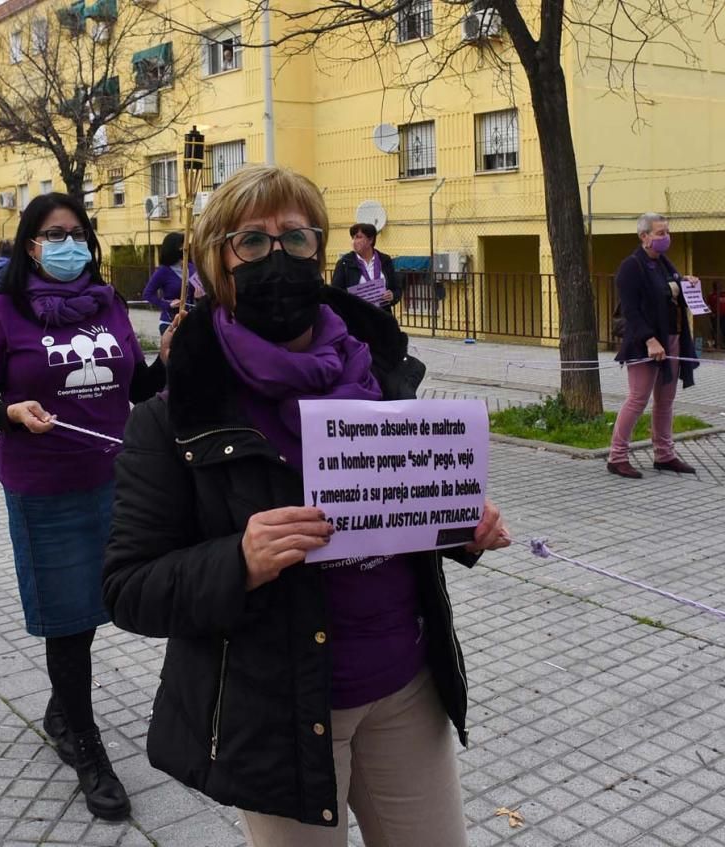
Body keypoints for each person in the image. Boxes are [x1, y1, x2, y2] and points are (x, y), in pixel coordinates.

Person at [101, 165, 510, 847]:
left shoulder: (378, 374)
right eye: (251, 241)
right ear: (216, 261)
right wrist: (238, 559)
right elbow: (126, 587)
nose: (278, 255)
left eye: (295, 237)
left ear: (320, 250)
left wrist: (457, 522)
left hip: (406, 688)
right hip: (279, 712)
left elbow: (389, 510)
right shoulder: (174, 417)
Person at [0, 192, 167, 822]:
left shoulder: (110, 307)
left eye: (77, 233)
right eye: (53, 234)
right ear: (30, 245)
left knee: (106, 604)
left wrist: (171, 359)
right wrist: (11, 414)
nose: (68, 244)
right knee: (69, 621)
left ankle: (61, 710)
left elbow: (141, 391)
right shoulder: (2, 313)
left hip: (119, 480)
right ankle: (88, 748)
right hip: (44, 490)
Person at [607, 212, 699, 479]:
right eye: (660, 233)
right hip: (644, 343)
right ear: (644, 236)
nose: (665, 238)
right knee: (637, 399)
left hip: (672, 338)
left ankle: (664, 454)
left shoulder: (664, 264)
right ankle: (617, 456)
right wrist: (650, 340)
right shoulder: (631, 266)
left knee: (665, 401)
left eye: (667, 232)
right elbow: (631, 310)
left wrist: (686, 283)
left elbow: (667, 291)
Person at [330, 223, 402, 311]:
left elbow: (397, 289)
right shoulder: (345, 263)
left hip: (382, 316)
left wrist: (392, 296)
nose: (354, 241)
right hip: (357, 318)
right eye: (353, 237)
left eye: (358, 237)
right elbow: (334, 294)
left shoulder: (385, 260)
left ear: (370, 240)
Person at [143, 231, 198, 334]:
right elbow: (147, 294)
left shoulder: (192, 268)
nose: (184, 249)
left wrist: (199, 296)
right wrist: (168, 304)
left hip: (190, 322)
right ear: (173, 248)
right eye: (181, 246)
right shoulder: (163, 271)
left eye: (185, 246)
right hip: (170, 322)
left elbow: (201, 293)